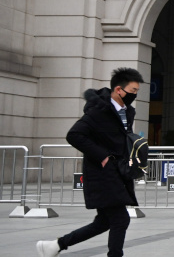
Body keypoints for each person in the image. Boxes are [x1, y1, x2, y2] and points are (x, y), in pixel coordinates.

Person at [37, 68, 144, 257]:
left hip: (117, 172)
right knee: (120, 219)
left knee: (103, 222)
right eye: (133, 91)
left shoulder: (127, 112)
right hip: (102, 174)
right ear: (119, 90)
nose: (135, 95)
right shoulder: (99, 111)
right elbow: (74, 135)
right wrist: (102, 156)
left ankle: (55, 245)